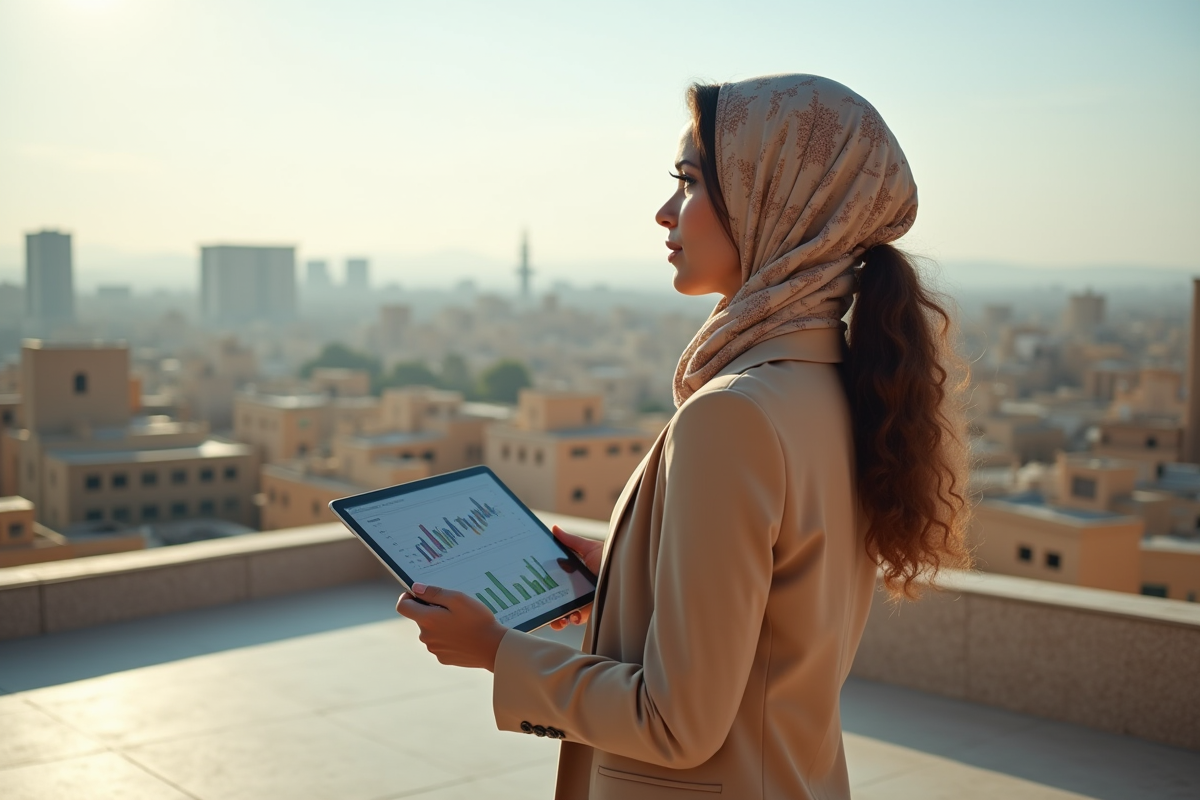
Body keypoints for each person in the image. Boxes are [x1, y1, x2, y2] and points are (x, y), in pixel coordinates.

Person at [396, 73, 969, 799]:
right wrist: (627, 574)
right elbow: (777, 613)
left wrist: (496, 651)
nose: (666, 212)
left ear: (774, 201)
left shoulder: (733, 414)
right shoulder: (835, 386)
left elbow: (675, 723)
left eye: (692, 182)